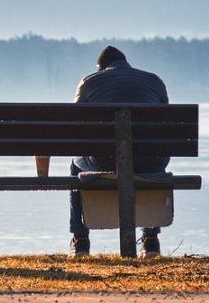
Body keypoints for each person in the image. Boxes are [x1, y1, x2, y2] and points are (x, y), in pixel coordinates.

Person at [69, 45, 169, 259]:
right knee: (151, 161)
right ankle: (150, 241)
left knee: (75, 166)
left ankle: (80, 242)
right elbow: (165, 126)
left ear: (101, 67)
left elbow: (75, 126)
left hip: (104, 160)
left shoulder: (89, 82)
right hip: (151, 161)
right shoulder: (154, 81)